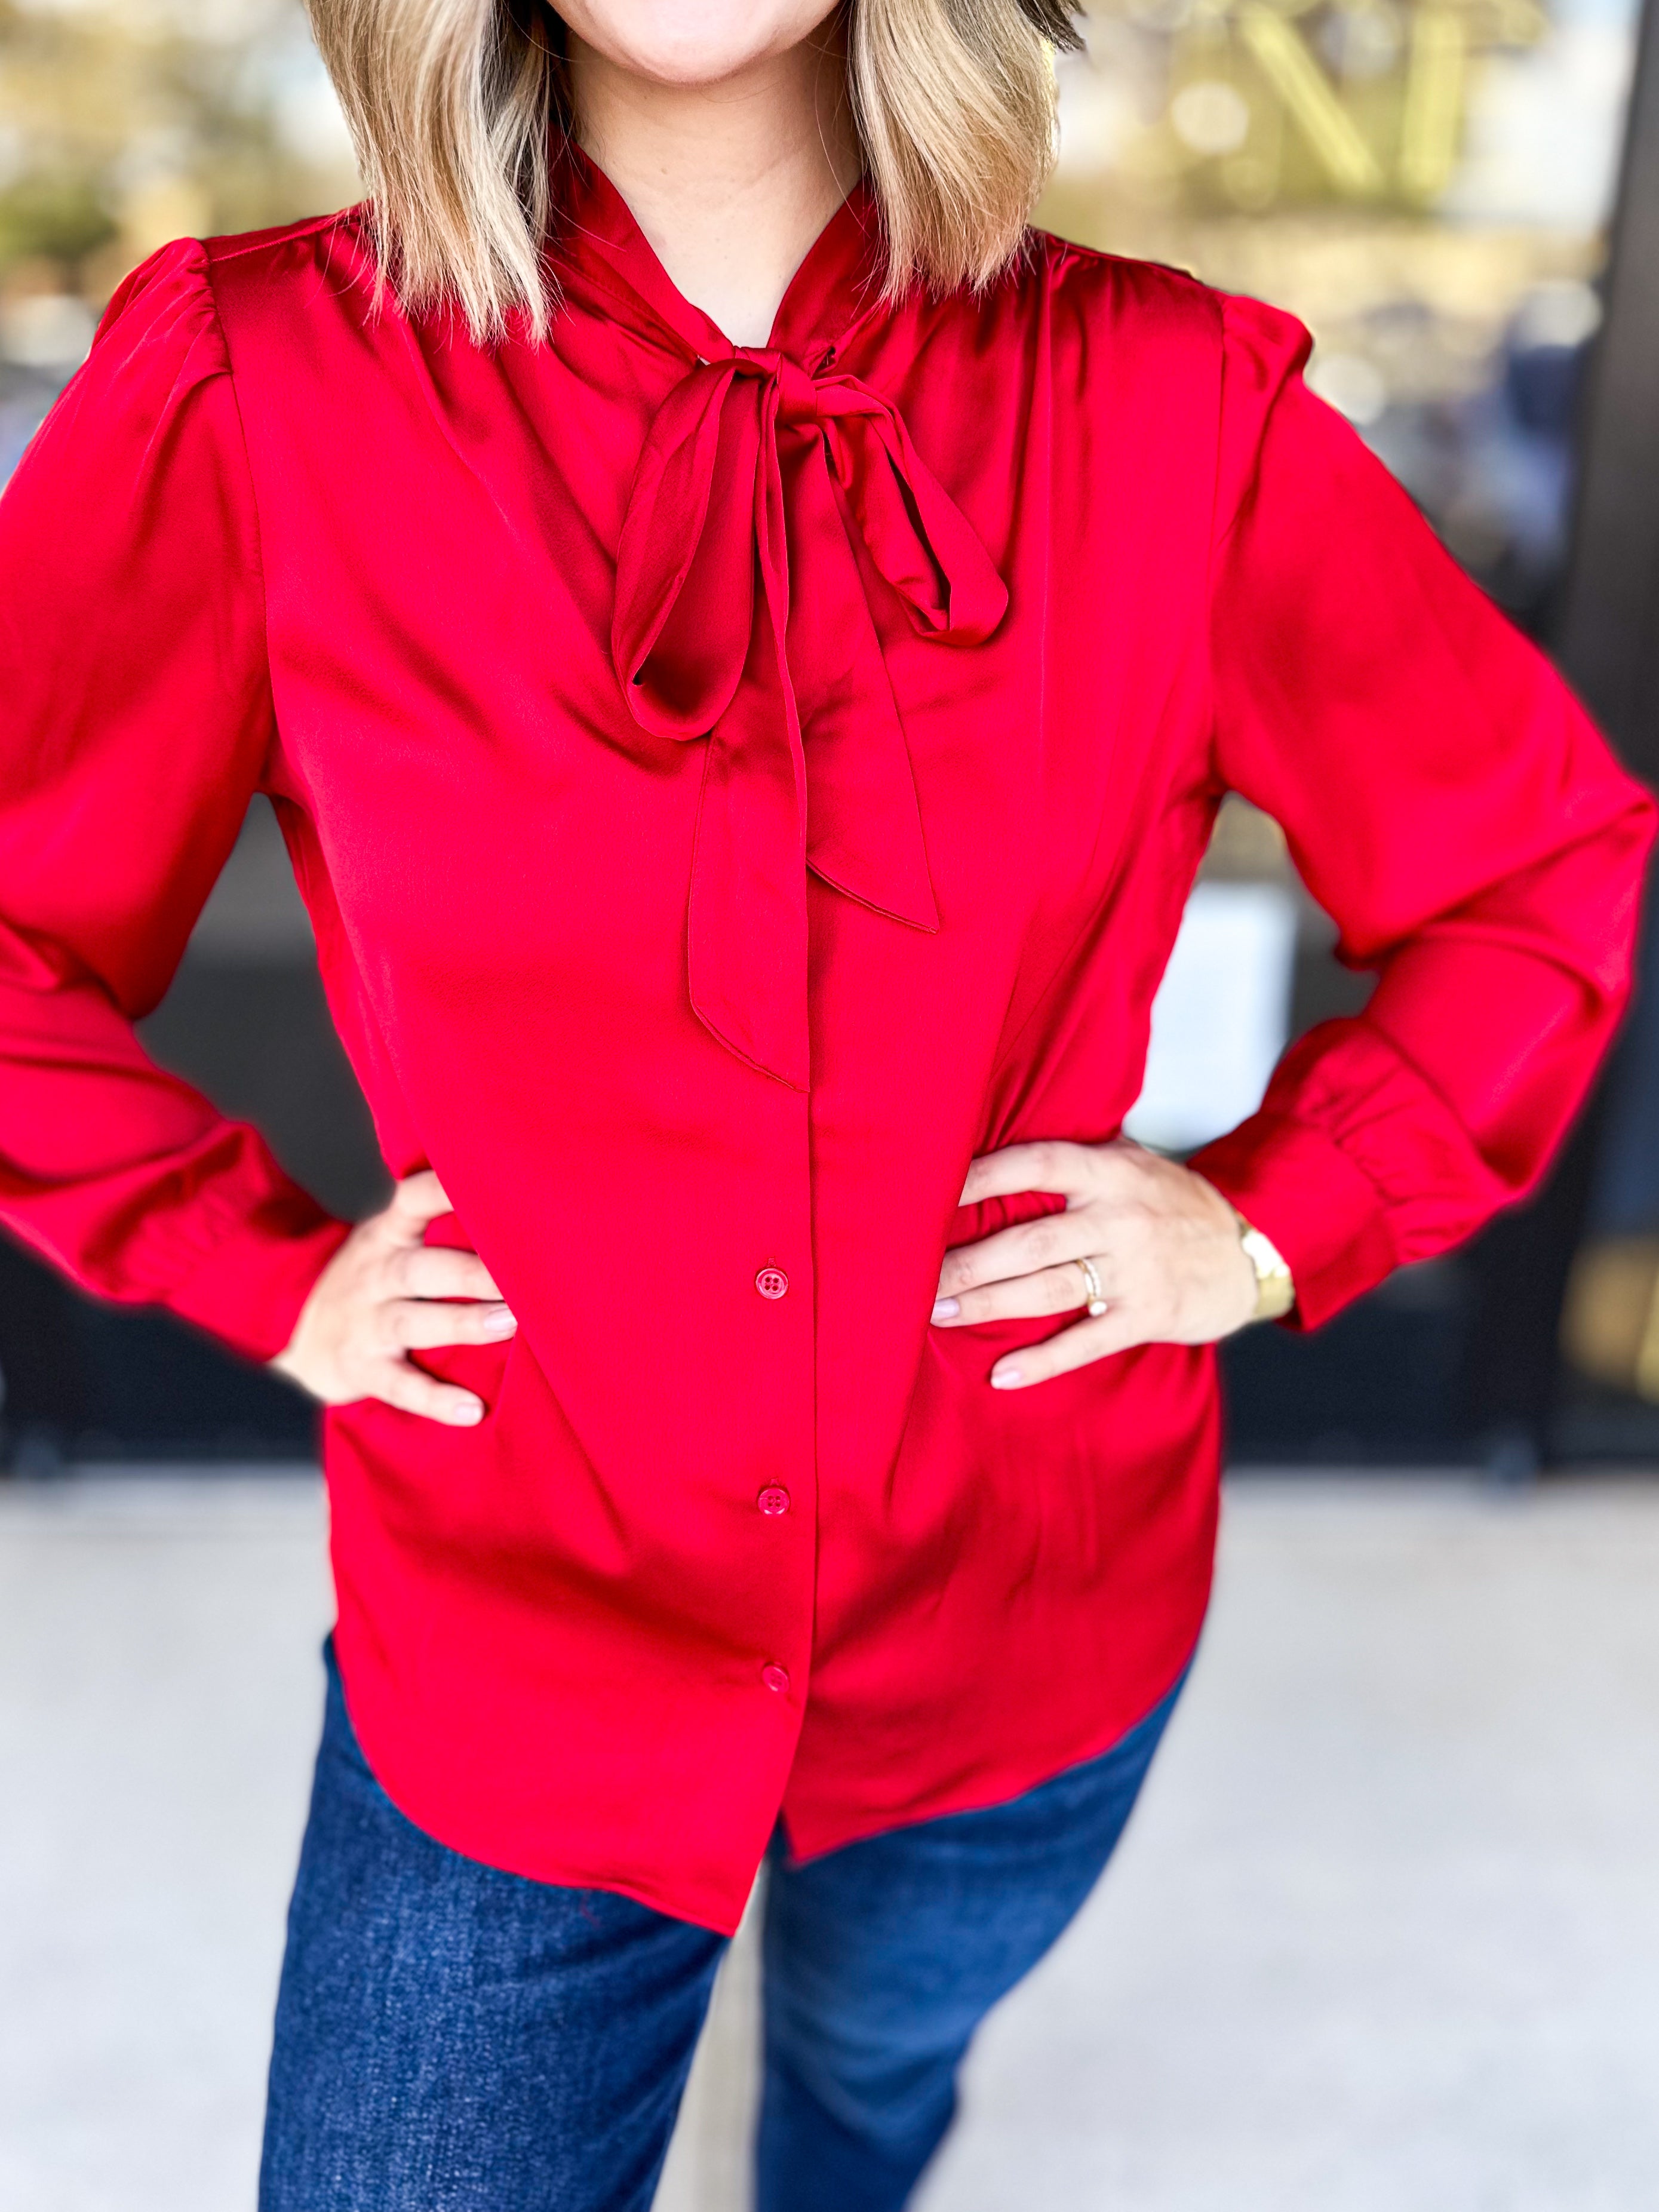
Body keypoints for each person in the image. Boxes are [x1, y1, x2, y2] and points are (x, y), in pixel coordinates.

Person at [0, 1, 1649, 2205]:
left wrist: (1265, 1223)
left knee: (864, 2095)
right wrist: (255, 1273)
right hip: (513, 1650)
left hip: (1018, 1620)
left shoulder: (1165, 404)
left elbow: (1530, 868)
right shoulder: (258, 381)